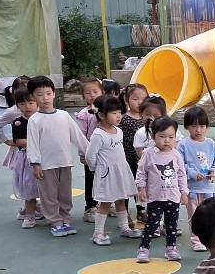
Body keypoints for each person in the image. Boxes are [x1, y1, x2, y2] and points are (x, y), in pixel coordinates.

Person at [25, 75, 88, 237]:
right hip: (46, 165)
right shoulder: (34, 120)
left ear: (54, 93)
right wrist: (35, 164)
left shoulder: (64, 115)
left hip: (65, 162)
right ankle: (55, 221)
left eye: (48, 93)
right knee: (49, 194)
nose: (45, 98)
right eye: (40, 94)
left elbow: (77, 136)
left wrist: (89, 151)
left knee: (65, 193)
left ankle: (65, 218)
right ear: (32, 97)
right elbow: (32, 144)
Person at [83, 95, 142, 246]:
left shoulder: (118, 131)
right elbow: (90, 155)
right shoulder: (98, 134)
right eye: (114, 113)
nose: (118, 116)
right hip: (107, 174)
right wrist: (95, 169)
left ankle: (125, 228)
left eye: (119, 112)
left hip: (120, 171)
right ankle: (98, 233)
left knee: (121, 200)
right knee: (105, 203)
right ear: (102, 115)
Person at [135, 114, 186, 263]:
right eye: (162, 136)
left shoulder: (176, 155)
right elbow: (141, 172)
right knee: (152, 224)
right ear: (153, 136)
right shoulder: (148, 154)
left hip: (173, 197)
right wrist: (141, 188)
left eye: (171, 137)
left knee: (172, 226)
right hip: (155, 197)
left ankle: (171, 248)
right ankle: (144, 249)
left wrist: (184, 192)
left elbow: (181, 174)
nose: (167, 140)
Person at [179, 105, 215, 252]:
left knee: (208, 216)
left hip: (207, 188)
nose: (198, 130)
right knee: (194, 216)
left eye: (201, 126)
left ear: (206, 126)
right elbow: (178, 165)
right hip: (191, 189)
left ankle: (208, 239)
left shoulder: (210, 143)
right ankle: (196, 241)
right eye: (194, 126)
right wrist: (192, 173)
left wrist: (214, 171)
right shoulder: (183, 144)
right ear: (187, 127)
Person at [1, 87, 40, 228]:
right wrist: (36, 142)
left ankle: (45, 211)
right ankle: (29, 215)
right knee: (29, 188)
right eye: (22, 104)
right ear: (17, 105)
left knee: (46, 187)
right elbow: (19, 141)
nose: (27, 107)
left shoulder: (42, 119)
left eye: (31, 103)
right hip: (26, 159)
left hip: (44, 158)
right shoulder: (18, 122)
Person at [74, 78, 104, 223]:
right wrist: (84, 154)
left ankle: (106, 204)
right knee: (91, 180)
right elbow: (80, 136)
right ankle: (90, 207)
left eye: (95, 91)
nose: (92, 95)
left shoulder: (106, 111)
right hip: (91, 154)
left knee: (107, 179)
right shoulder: (84, 114)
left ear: (102, 92)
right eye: (87, 93)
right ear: (83, 96)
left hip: (106, 153)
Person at [119, 83, 149, 227]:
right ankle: (124, 213)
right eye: (135, 99)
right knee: (125, 186)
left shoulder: (147, 118)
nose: (139, 102)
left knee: (141, 185)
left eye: (143, 99)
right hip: (126, 158)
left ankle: (141, 210)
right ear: (127, 100)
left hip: (142, 159)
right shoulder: (123, 118)